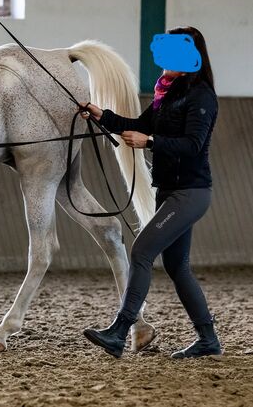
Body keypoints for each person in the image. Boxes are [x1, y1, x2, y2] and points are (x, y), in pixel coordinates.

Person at [79, 26, 222, 359]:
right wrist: (104, 117)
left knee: (141, 251)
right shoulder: (167, 93)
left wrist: (151, 143)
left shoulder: (201, 96)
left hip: (190, 193)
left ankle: (119, 330)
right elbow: (142, 125)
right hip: (170, 191)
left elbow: (193, 144)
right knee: (177, 267)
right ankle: (208, 340)